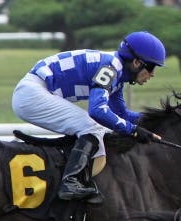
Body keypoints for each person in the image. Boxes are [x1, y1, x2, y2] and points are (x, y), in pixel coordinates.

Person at [12, 31, 165, 203]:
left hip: (35, 91)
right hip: (32, 94)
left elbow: (121, 114)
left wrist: (158, 120)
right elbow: (97, 111)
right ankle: (70, 182)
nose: (153, 74)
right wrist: (134, 131)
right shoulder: (110, 69)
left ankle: (71, 178)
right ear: (137, 62)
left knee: (93, 127)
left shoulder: (116, 73)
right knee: (93, 127)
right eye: (151, 67)